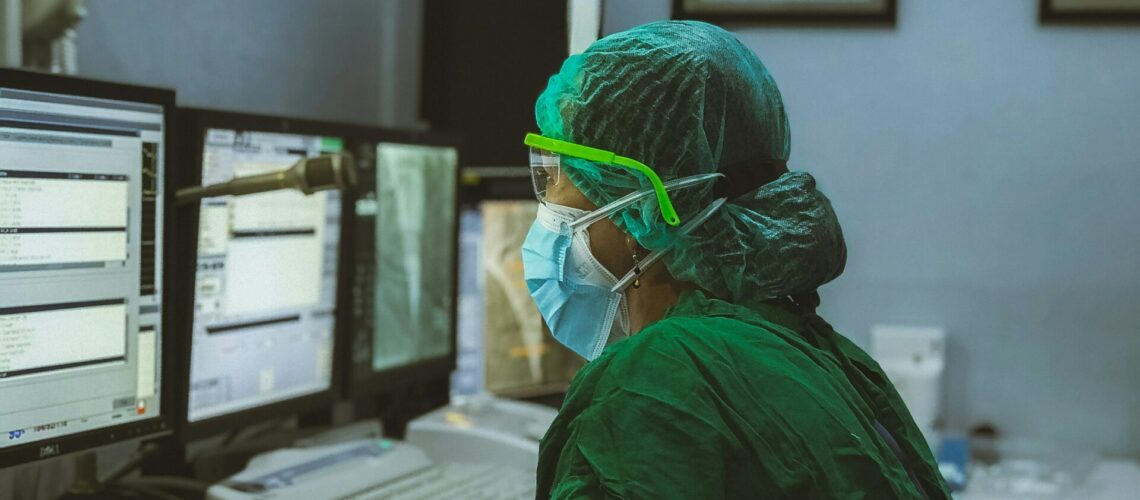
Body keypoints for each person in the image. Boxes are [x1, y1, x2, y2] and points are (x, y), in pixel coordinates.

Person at [520, 21, 951, 499]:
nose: (548, 201)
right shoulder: (812, 352)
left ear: (637, 204)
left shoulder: (655, 379)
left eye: (556, 176)